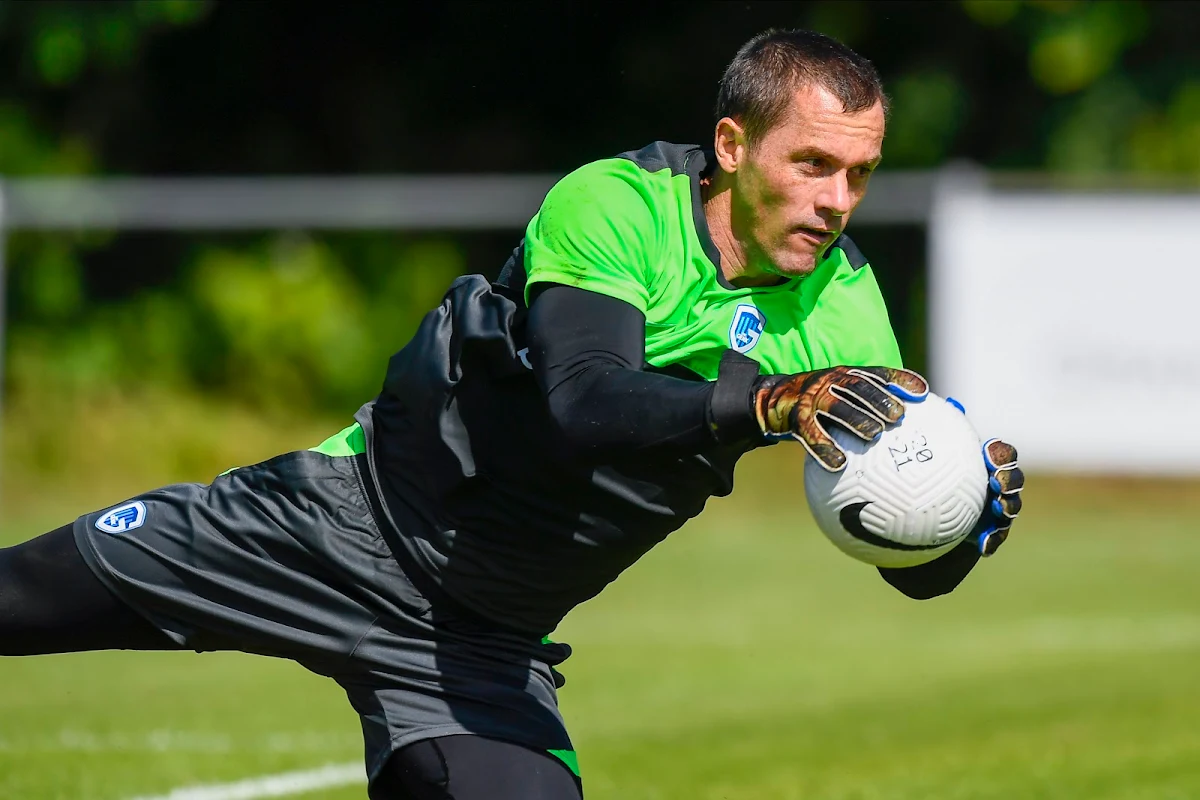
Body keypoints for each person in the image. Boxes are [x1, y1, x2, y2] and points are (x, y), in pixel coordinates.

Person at [0, 28, 1024, 800]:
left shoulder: (844, 304)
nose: (838, 199)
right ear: (734, 144)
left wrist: (964, 518)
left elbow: (900, 549)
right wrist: (763, 401)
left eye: (859, 173)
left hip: (482, 641)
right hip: (334, 525)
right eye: (813, 164)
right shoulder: (620, 205)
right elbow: (585, 398)